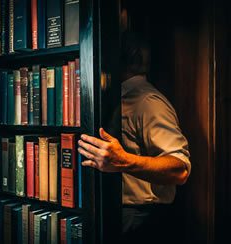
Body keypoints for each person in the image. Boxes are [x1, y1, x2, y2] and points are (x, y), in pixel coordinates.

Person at [77, 31, 191, 243]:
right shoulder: (117, 97)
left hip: (140, 220)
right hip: (116, 213)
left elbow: (180, 169)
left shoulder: (148, 101)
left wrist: (123, 161)